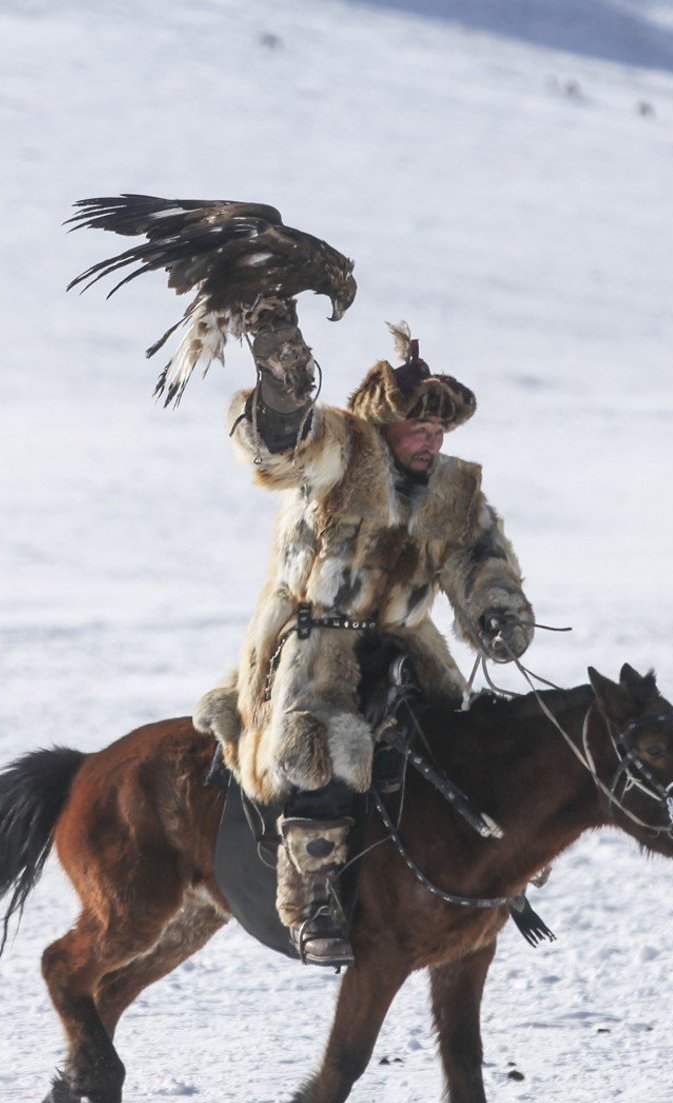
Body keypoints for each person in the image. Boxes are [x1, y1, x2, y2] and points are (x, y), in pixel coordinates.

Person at [195, 319, 535, 966]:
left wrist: (495, 609)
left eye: (440, 431)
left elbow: (478, 558)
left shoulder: (454, 492)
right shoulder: (340, 454)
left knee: (472, 747)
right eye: (420, 429)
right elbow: (278, 445)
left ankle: (485, 874)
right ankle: (312, 900)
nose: (433, 442)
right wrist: (283, 392)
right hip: (316, 643)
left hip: (407, 648)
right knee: (320, 751)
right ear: (385, 426)